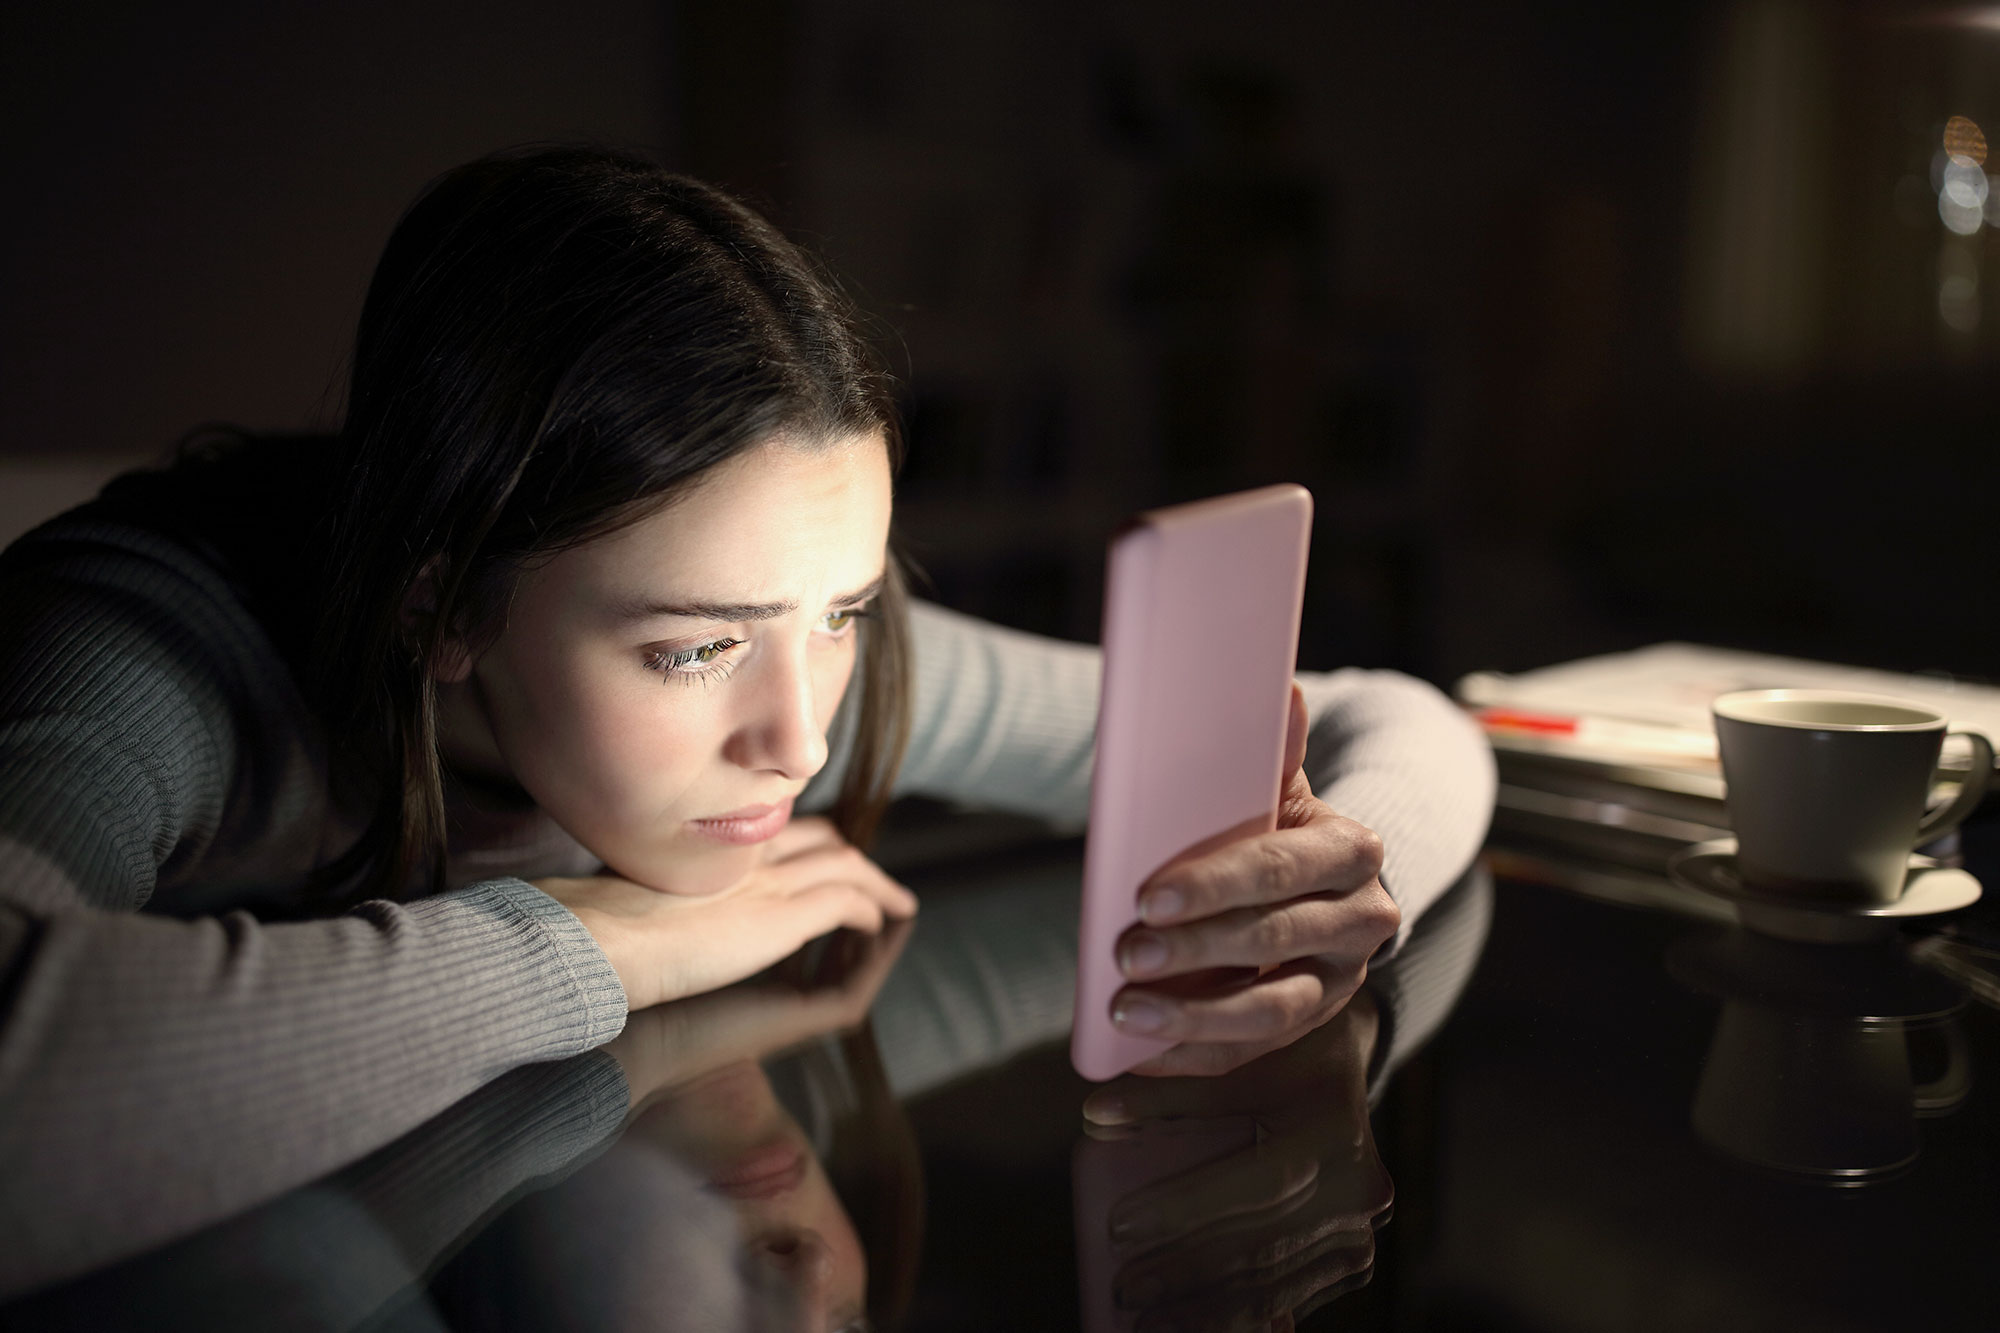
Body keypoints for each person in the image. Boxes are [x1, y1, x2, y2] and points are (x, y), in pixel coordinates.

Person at [0, 145, 1496, 1298]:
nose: (796, 735)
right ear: (438, 608)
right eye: (695, 646)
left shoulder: (795, 671)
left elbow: (1393, 714)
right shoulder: (146, 656)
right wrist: (609, 940)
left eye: (844, 612)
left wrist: (1348, 864)